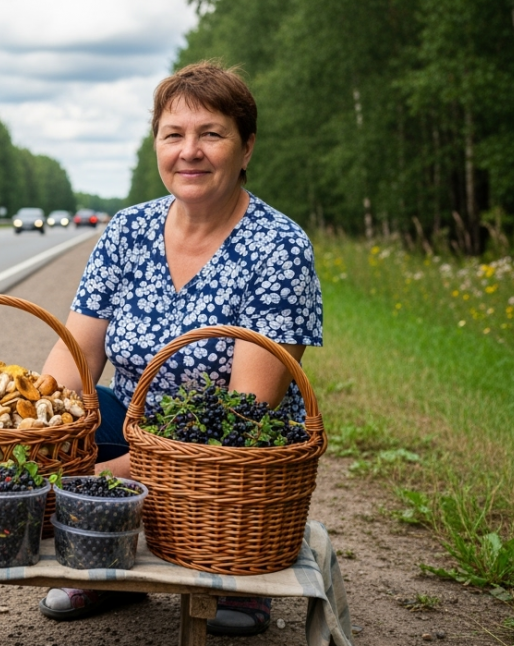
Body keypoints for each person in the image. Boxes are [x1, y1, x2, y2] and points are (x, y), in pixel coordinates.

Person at [36, 60, 323, 636]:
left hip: (227, 454)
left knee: (222, 469)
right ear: (157, 147)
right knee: (60, 416)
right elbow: (72, 364)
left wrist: (92, 481)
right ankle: (109, 562)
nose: (189, 151)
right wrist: (37, 445)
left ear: (246, 149)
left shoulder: (279, 248)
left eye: (211, 134)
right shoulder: (127, 231)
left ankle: (233, 568)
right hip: (138, 422)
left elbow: (246, 413)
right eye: (174, 135)